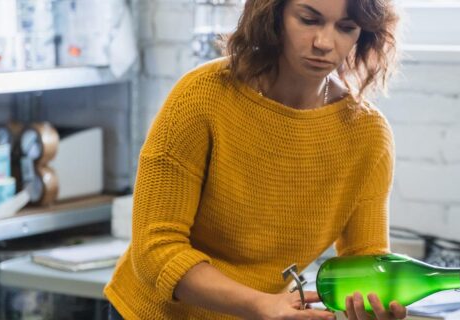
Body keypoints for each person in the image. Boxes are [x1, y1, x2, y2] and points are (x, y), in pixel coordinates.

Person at [104, 0, 404, 319]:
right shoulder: (202, 96)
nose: (324, 43)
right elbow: (155, 250)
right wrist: (260, 304)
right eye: (308, 20)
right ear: (273, 15)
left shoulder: (367, 134)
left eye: (346, 28)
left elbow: (364, 258)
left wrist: (374, 303)